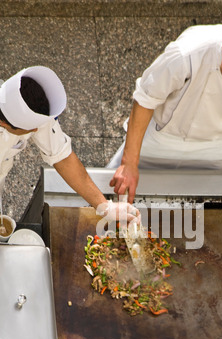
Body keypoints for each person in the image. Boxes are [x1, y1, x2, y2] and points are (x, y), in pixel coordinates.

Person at [107, 23, 222, 203]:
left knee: (196, 206)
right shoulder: (185, 54)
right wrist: (129, 163)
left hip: (219, 146)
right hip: (163, 139)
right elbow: (146, 99)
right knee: (116, 192)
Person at [0, 66, 138, 222]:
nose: (37, 130)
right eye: (31, 129)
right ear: (3, 123)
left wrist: (105, 207)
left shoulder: (23, 108)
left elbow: (63, 158)